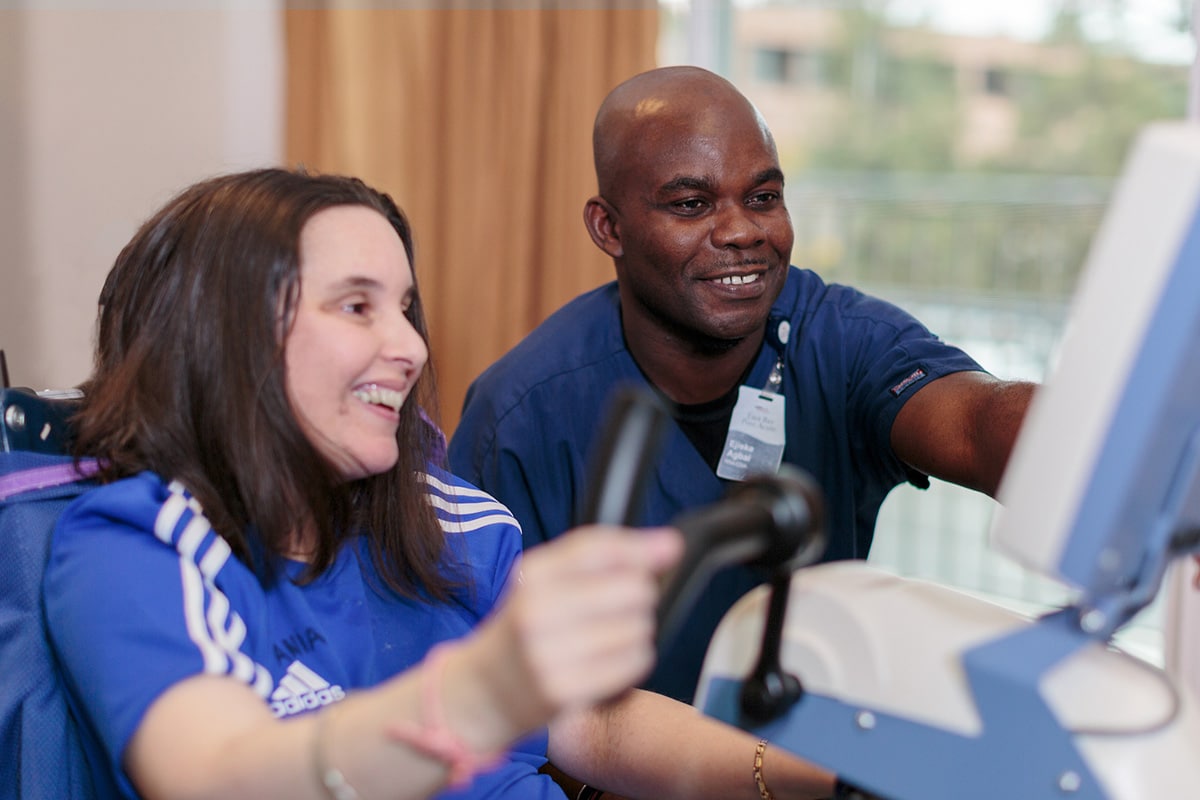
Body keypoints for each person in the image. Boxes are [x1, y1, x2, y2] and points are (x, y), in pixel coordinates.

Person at [42, 168, 840, 800]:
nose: (411, 348)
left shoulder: (441, 515)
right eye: (357, 306)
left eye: (406, 309)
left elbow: (591, 726)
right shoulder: (138, 545)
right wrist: (480, 694)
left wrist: (818, 776)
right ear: (224, 337)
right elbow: (216, 776)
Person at [448, 65, 1037, 705]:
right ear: (608, 229)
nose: (742, 231)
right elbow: (483, 684)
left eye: (762, 198)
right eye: (691, 205)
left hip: (809, 760)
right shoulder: (521, 414)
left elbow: (977, 427)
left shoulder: (839, 339)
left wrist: (1112, 438)